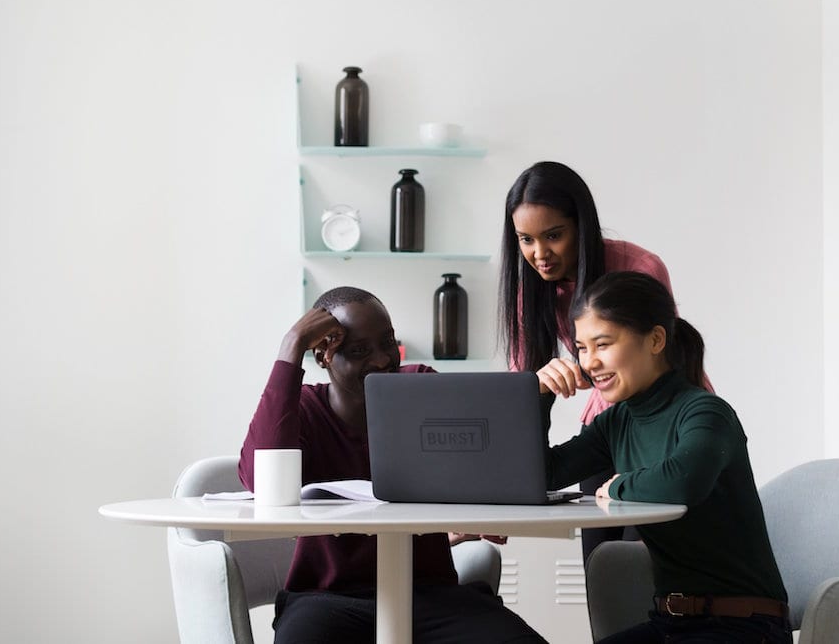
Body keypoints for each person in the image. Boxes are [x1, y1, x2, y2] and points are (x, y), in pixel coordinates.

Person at [239, 286, 547, 644]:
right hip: (326, 600)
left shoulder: (420, 387)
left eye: (388, 342)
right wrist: (291, 346)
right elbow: (259, 481)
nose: (383, 359)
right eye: (358, 351)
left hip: (430, 594)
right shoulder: (304, 410)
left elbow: (475, 466)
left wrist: (484, 509)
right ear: (323, 355)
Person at [540, 272, 791, 643]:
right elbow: (542, 474)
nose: (589, 362)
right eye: (581, 348)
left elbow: (682, 481)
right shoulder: (617, 421)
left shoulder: (705, 412)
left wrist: (619, 485)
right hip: (671, 625)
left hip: (746, 626)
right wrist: (539, 396)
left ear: (656, 339)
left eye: (603, 344)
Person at [498, 160, 710, 563]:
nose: (539, 254)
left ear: (581, 225)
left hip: (664, 427)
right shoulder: (531, 291)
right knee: (600, 566)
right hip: (610, 429)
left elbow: (652, 363)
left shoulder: (639, 267)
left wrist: (590, 383)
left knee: (641, 564)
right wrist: (540, 385)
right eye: (525, 240)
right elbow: (518, 390)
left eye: (554, 236)